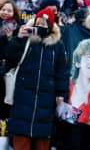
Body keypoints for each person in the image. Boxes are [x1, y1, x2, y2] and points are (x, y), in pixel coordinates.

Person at [5, 8, 68, 150]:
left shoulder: (57, 45)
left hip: (46, 98)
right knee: (21, 137)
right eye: (38, 22)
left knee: (42, 139)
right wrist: (18, 39)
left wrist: (61, 94)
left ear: (51, 27)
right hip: (22, 95)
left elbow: (62, 72)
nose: (40, 26)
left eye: (45, 24)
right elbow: (10, 59)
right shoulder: (25, 38)